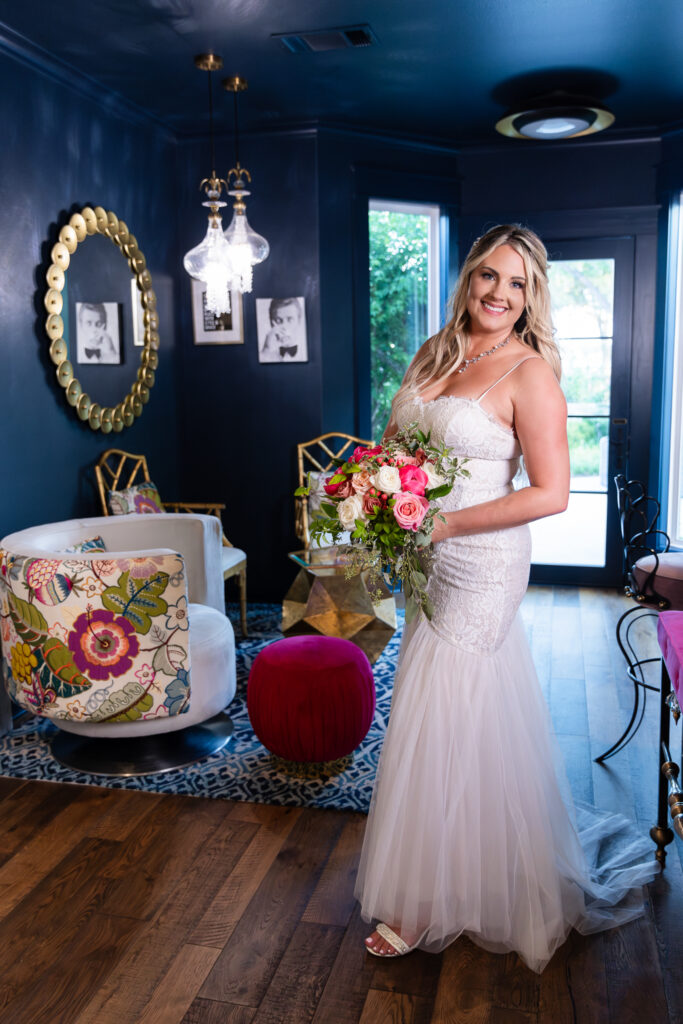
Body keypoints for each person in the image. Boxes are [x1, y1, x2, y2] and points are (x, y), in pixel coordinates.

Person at [355, 224, 659, 971]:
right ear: (469, 279)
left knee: (450, 704)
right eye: (488, 276)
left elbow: (550, 493)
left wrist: (446, 521)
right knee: (431, 703)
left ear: (531, 296)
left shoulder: (530, 374)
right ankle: (450, 864)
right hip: (423, 558)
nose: (498, 293)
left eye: (516, 282)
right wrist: (376, 489)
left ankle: (424, 899)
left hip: (482, 560)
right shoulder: (436, 353)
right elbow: (396, 443)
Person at [259, 297, 304, 362]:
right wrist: (266, 350)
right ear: (271, 323)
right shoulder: (264, 354)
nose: (284, 326)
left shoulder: (308, 351)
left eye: (290, 319)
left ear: (299, 321)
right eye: (278, 320)